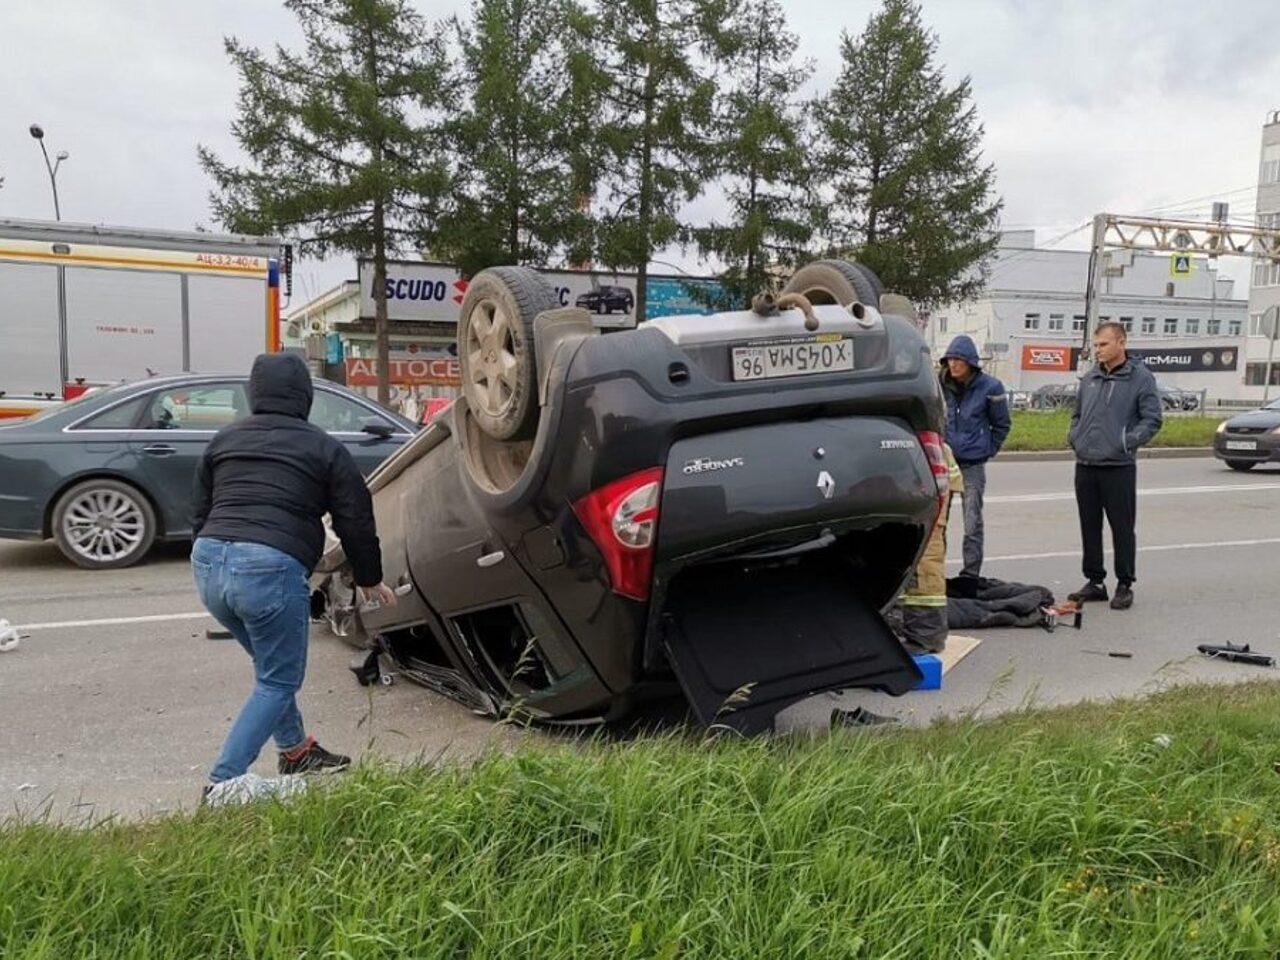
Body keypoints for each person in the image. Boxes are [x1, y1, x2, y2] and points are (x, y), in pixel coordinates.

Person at [191, 353, 395, 803]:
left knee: (270, 670)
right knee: (279, 680)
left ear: (254, 393)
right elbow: (355, 519)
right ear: (306, 396)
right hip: (267, 568)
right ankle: (223, 782)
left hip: (208, 563)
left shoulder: (224, 439)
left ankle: (297, 751)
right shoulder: (323, 447)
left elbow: (201, 511)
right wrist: (368, 578)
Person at [1067, 321, 1163, 610]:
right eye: (1096, 345)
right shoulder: (1090, 378)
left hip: (1118, 465)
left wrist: (1127, 442)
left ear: (1121, 343)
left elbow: (1153, 419)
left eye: (1104, 344)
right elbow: (1077, 415)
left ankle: (1125, 583)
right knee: (1089, 525)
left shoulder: (1140, 378)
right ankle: (1095, 581)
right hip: (1086, 463)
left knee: (1122, 527)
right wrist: (1075, 437)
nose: (1098, 350)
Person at [938, 334, 1011, 581]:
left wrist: (987, 449)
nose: (954, 365)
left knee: (972, 522)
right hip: (944, 463)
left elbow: (1002, 425)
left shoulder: (991, 387)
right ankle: (936, 573)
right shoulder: (939, 384)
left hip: (972, 464)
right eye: (950, 360)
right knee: (938, 523)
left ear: (970, 362)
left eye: (959, 360)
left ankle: (970, 574)